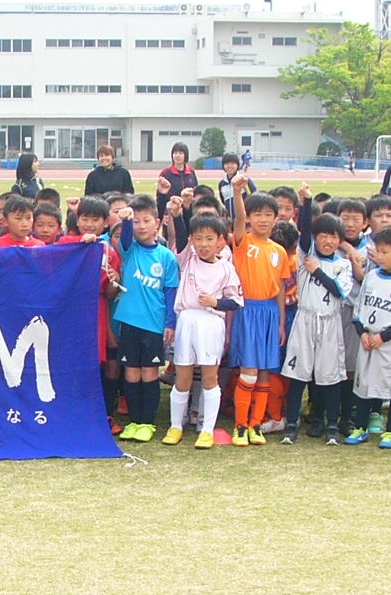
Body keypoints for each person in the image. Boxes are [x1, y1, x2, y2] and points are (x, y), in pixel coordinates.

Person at [164, 214, 243, 448]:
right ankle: (175, 426)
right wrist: (179, 212)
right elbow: (178, 235)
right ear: (192, 241)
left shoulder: (226, 269)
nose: (204, 244)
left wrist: (215, 302)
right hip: (187, 320)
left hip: (211, 322)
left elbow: (236, 301)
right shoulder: (188, 259)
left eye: (210, 239)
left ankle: (207, 430)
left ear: (221, 241)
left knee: (210, 378)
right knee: (183, 378)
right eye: (199, 239)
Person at [229, 181, 294, 445]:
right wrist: (236, 192)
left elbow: (279, 288)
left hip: (269, 313)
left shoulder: (278, 250)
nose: (263, 219)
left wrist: (280, 323)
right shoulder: (243, 242)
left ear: (276, 218)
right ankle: (240, 425)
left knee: (266, 371)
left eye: (269, 214)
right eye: (258, 214)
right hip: (248, 310)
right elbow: (239, 217)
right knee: (249, 370)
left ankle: (256, 424)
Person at [279, 212, 353, 445]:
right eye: (323, 236)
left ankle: (331, 423)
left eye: (333, 236)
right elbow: (303, 232)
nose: (328, 241)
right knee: (297, 373)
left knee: (330, 376)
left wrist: (317, 272)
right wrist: (307, 203)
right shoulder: (305, 257)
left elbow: (339, 290)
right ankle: (291, 424)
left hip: (330, 323)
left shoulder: (343, 264)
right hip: (305, 320)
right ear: (315, 237)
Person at [342, 224, 391, 448]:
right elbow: (359, 310)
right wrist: (363, 332)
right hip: (367, 341)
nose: (380, 256)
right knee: (363, 385)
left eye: (385, 252)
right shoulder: (371, 277)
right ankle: (361, 427)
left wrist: (383, 338)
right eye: (379, 250)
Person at [112, 197, 178, 442]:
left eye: (146, 221)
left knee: (149, 373)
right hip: (129, 322)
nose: (141, 226)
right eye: (136, 221)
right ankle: (134, 422)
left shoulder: (166, 257)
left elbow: (170, 291)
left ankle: (148, 424)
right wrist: (126, 220)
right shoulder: (130, 251)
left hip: (153, 323)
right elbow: (126, 238)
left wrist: (170, 322)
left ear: (157, 223)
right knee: (131, 373)